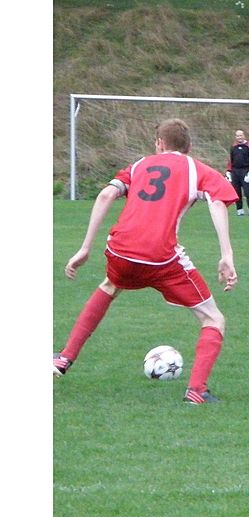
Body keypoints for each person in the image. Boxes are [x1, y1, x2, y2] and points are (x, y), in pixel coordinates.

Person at [53, 118, 239, 405]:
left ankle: (64, 358)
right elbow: (217, 203)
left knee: (110, 285)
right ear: (188, 147)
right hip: (161, 257)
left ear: (159, 144)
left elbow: (106, 194)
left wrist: (85, 247)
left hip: (119, 250)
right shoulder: (195, 169)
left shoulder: (140, 165)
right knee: (213, 318)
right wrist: (226, 255)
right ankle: (197, 391)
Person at [226, 129, 249, 216]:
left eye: (240, 135)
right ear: (235, 137)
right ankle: (239, 209)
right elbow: (230, 160)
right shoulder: (233, 147)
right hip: (235, 171)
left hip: (245, 170)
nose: (239, 137)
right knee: (236, 191)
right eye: (237, 136)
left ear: (244, 136)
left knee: (248, 191)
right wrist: (228, 171)